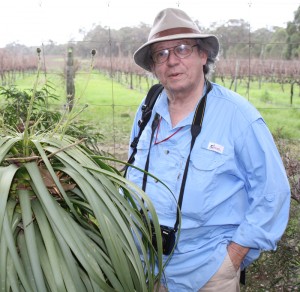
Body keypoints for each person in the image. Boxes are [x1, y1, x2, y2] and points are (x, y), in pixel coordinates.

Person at [126, 7, 291, 292]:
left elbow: (273, 193)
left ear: (203, 55)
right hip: (146, 267)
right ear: (153, 66)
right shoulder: (147, 108)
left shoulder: (238, 116)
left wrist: (233, 258)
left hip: (207, 274)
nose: (172, 61)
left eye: (181, 49)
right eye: (161, 54)